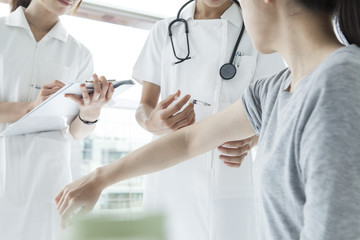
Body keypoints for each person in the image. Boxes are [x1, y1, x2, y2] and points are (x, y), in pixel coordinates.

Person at [56, 0, 360, 239]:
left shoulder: (340, 83)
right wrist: (99, 179)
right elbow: (189, 141)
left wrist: (251, 139)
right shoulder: (272, 91)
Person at [132, 0, 284, 239]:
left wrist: (251, 140)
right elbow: (144, 106)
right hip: (168, 168)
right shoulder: (165, 30)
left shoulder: (258, 30)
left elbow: (273, 108)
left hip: (227, 168)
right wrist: (151, 122)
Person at [0, 0, 114, 240]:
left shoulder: (79, 53)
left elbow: (76, 133)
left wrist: (90, 112)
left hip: (49, 182)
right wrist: (30, 107)